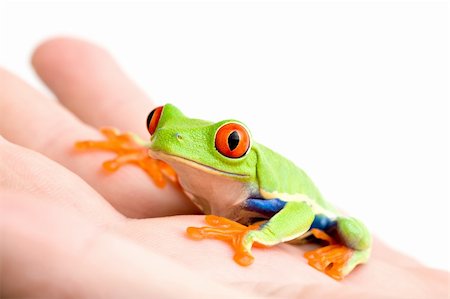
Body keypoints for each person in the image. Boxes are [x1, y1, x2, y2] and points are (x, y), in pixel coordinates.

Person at [0, 37, 447, 298]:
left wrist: (258, 233)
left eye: (228, 143)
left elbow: (305, 215)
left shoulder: (257, 193)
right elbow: (170, 145)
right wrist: (144, 149)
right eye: (156, 121)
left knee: (352, 231)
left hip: (306, 214)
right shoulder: (184, 160)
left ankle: (356, 254)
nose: (163, 136)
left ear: (239, 149)